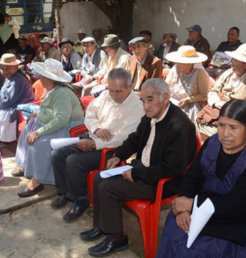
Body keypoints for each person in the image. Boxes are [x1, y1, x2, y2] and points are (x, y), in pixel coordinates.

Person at [82, 78, 197, 257]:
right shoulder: (151, 115)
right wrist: (118, 155)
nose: (145, 106)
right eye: (143, 100)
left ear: (165, 97)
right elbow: (135, 139)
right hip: (143, 170)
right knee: (100, 176)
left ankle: (118, 238)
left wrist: (136, 173)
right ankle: (101, 226)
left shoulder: (179, 125)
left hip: (161, 183)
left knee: (108, 187)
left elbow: (172, 168)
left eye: (150, 99)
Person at [157, 99, 246, 257]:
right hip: (201, 208)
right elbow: (192, 177)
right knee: (175, 225)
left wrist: (191, 204)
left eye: (233, 128)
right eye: (221, 125)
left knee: (207, 247)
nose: (225, 134)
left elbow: (237, 204)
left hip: (236, 218)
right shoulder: (212, 143)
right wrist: (184, 206)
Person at [51, 68, 144, 223]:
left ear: (130, 87)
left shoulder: (137, 107)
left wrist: (95, 144)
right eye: (111, 90)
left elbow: (124, 138)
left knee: (74, 161)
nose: (114, 95)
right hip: (93, 136)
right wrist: (96, 128)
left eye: (119, 91)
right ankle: (66, 193)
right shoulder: (107, 95)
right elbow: (90, 112)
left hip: (112, 149)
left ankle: (80, 199)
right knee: (58, 154)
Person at [15, 58, 84, 197]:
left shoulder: (61, 93)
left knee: (38, 143)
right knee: (27, 130)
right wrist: (36, 113)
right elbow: (49, 108)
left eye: (42, 75)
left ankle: (37, 181)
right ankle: (26, 166)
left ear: (49, 78)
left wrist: (39, 132)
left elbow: (61, 119)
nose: (39, 77)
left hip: (67, 128)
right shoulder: (52, 90)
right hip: (57, 122)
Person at [197, 43, 246, 142]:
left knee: (216, 135)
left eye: (235, 60)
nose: (231, 63)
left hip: (239, 117)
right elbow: (213, 90)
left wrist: (232, 106)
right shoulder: (229, 73)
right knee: (199, 126)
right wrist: (217, 102)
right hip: (218, 111)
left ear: (245, 64)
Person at [165, 46, 210, 123]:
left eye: (180, 62)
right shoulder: (176, 68)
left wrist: (188, 99)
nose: (177, 63)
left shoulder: (200, 73)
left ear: (189, 63)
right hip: (172, 101)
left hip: (189, 105)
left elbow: (204, 94)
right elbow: (166, 86)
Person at [0, 53, 34, 142]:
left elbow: (7, 101)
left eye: (8, 68)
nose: (5, 71)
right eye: (3, 68)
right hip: (12, 104)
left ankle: (5, 140)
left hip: (20, 107)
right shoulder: (10, 77)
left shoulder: (17, 80)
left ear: (15, 67)